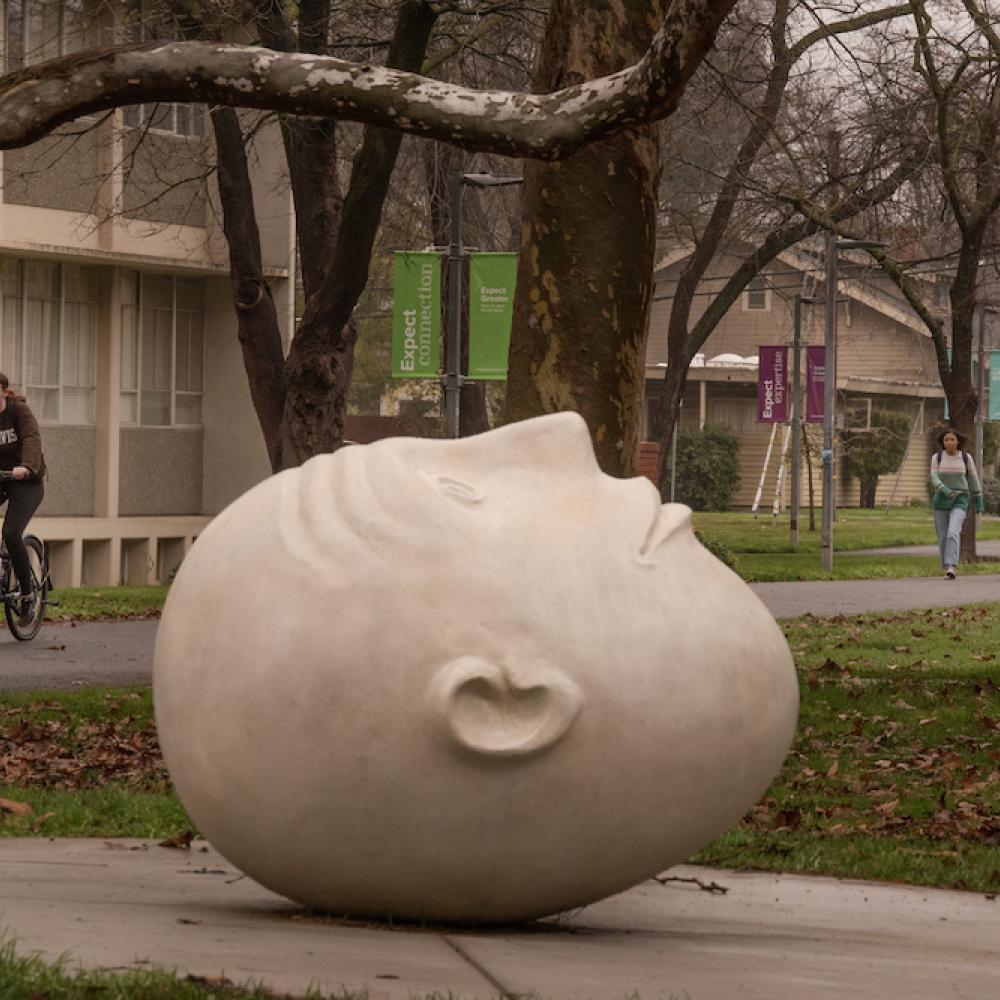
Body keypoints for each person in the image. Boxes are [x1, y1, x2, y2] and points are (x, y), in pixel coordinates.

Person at [0, 372, 45, 622]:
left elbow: (31, 439)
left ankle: (27, 595)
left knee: (11, 532)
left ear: (4, 392)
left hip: (26, 482)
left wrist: (26, 466)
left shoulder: (19, 412)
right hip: (1, 480)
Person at [929, 427, 983, 579]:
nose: (949, 442)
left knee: (953, 531)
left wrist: (978, 498)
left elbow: (973, 478)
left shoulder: (965, 458)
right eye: (946, 439)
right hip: (941, 500)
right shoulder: (937, 457)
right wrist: (945, 490)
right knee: (942, 536)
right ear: (943, 442)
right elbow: (934, 477)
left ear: (958, 441)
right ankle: (946, 565)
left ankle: (951, 566)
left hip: (960, 499)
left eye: (952, 439)